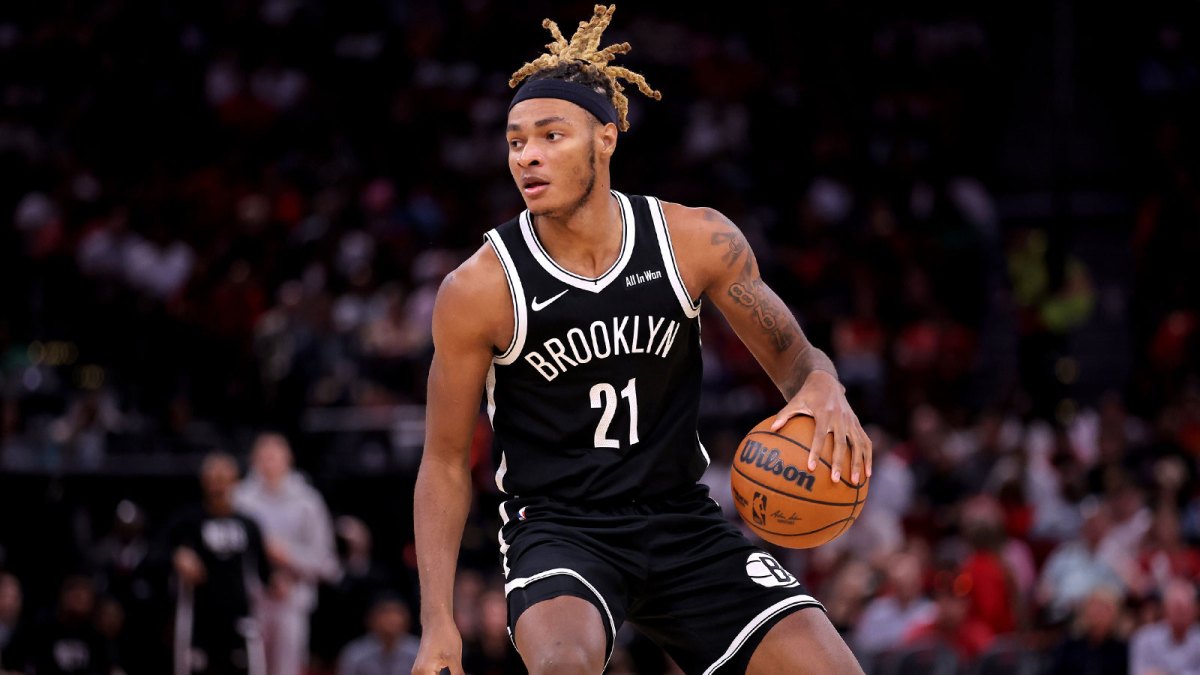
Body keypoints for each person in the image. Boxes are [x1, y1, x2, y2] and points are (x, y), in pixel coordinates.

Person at [411, 5, 872, 674]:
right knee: (564, 666)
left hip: (681, 516)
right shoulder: (480, 288)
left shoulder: (695, 241)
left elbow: (798, 361)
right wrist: (438, 624)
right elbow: (445, 462)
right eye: (516, 141)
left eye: (550, 135)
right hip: (561, 528)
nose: (528, 155)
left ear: (606, 138)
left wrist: (826, 384)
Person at [233, 433, 339, 675]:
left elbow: (327, 563)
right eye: (264, 456)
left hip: (292, 601)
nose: (269, 462)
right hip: (253, 601)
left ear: (288, 458)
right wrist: (265, 575)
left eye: (275, 456)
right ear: (253, 460)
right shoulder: (240, 500)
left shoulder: (308, 501)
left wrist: (287, 557)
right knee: (251, 666)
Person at [169, 452, 272, 675]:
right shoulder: (187, 521)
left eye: (223, 479)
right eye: (212, 478)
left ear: (235, 481)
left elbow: (265, 573)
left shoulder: (248, 524)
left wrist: (279, 580)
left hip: (239, 621)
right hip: (200, 620)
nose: (218, 485)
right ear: (203, 482)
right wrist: (178, 555)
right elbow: (157, 552)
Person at [1128, 578, 1200, 675]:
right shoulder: (1144, 638)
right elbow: (1138, 672)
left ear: (1195, 610)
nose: (1180, 614)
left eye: (1184, 609)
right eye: (1176, 609)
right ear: (1165, 609)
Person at [335, 594, 419, 675]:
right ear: (370, 619)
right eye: (385, 612)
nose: (392, 618)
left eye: (397, 613)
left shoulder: (418, 651)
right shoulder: (355, 654)